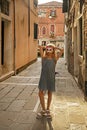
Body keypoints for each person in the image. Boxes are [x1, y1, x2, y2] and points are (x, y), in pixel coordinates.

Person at [37, 43, 64, 119]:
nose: (49, 50)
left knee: (49, 92)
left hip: (51, 78)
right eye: (48, 49)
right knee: (40, 93)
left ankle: (48, 109)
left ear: (53, 51)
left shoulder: (55, 59)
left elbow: (62, 50)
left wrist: (55, 48)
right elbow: (40, 47)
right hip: (43, 77)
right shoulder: (43, 57)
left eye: (50, 49)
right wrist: (44, 47)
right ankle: (43, 109)